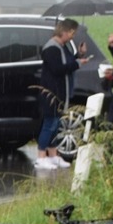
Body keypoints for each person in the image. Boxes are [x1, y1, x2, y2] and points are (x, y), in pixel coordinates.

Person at [35, 18, 93, 171]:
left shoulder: (62, 46)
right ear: (64, 31)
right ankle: (41, 156)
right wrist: (77, 64)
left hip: (61, 93)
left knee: (56, 124)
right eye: (72, 33)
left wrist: (78, 55)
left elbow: (67, 62)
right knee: (49, 124)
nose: (72, 37)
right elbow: (58, 69)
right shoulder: (51, 48)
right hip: (51, 93)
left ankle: (53, 154)